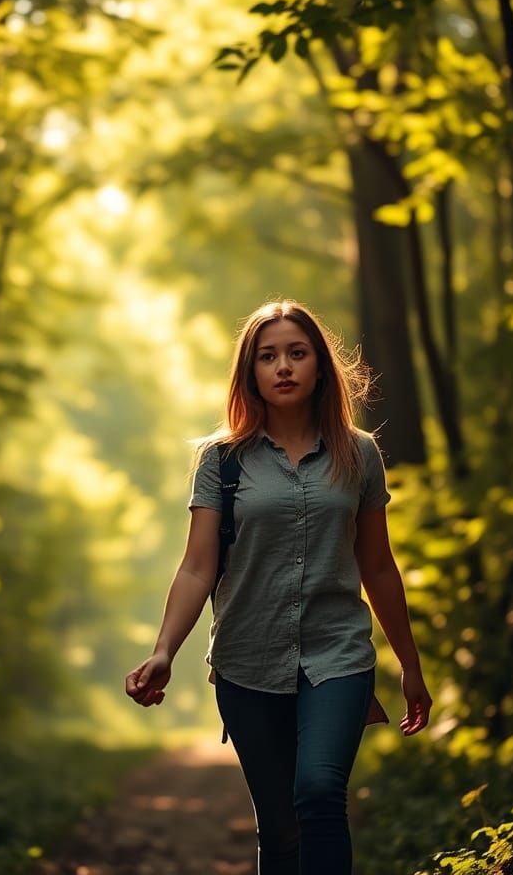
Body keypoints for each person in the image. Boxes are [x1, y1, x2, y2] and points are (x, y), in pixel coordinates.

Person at [125, 299, 432, 874]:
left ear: (319, 366)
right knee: (279, 827)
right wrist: (165, 650)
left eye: (297, 353)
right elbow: (197, 566)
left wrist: (410, 666)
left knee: (318, 793)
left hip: (337, 655)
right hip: (247, 659)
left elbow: (379, 566)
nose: (283, 366)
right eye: (268, 356)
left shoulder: (359, 453)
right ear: (251, 372)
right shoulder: (221, 459)